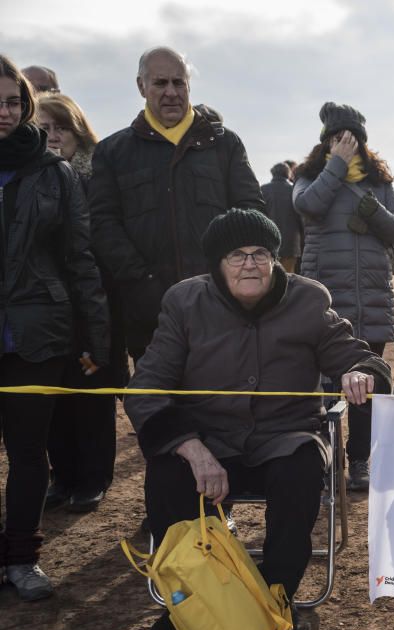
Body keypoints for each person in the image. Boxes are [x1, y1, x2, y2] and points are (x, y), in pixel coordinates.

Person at [124, 208, 392, 630]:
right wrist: (191, 447)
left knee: (301, 473)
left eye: (261, 253)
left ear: (275, 258)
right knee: (169, 474)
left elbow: (358, 355)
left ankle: (276, 601)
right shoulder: (184, 302)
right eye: (237, 255)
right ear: (216, 263)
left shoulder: (309, 299)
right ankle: (195, 601)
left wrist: (359, 373)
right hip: (208, 438)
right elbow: (145, 388)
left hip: (285, 436)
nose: (250, 263)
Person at [0, 55, 109, 600]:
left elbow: (79, 257)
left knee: (26, 452)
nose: (5, 112)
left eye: (13, 102)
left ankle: (20, 558)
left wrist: (94, 335)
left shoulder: (53, 172)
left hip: (36, 334)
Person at [88, 46, 264, 362]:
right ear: (141, 86)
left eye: (178, 83)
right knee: (162, 409)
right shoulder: (113, 152)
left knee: (223, 407)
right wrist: (144, 283)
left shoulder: (225, 145)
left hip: (222, 309)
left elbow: (252, 212)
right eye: (160, 83)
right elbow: (103, 226)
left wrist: (226, 274)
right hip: (150, 318)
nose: (171, 92)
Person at [292, 102, 394, 491]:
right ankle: (328, 463)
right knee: (326, 388)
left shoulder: (379, 181)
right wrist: (335, 167)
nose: (346, 142)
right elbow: (307, 206)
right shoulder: (310, 175)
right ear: (326, 140)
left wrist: (372, 210)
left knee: (368, 385)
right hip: (325, 299)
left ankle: (360, 460)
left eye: (352, 136)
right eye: (337, 136)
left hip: (372, 298)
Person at [37, 93, 128, 513]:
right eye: (45, 128)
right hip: (44, 302)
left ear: (78, 131)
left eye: (61, 128)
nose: (54, 136)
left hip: (95, 299)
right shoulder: (30, 176)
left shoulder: (97, 175)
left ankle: (93, 477)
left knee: (92, 388)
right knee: (53, 396)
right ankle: (64, 475)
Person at [262, 162, 302, 273]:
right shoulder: (294, 190)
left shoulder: (262, 190)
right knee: (289, 278)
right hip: (291, 244)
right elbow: (301, 219)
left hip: (268, 242)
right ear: (288, 174)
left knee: (269, 276)